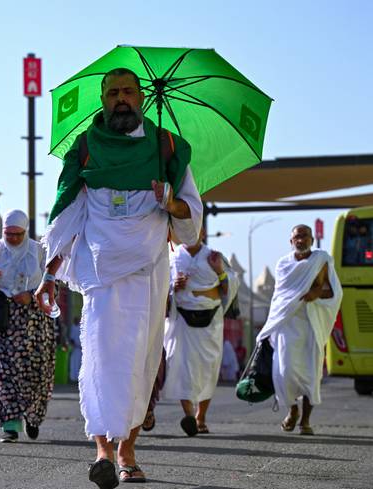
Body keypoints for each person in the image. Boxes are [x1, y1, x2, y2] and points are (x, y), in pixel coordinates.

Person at [36, 67, 202, 487]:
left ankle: (128, 451)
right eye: (114, 93)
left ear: (142, 97)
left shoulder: (168, 148)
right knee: (101, 360)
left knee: (140, 363)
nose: (122, 99)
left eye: (129, 91)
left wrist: (171, 202)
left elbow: (191, 219)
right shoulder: (86, 148)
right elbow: (69, 216)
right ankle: (102, 452)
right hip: (100, 273)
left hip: (149, 272)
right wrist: (49, 275)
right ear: (103, 99)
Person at [0, 209, 56, 443]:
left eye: (18, 234)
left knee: (37, 375)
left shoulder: (39, 252)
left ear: (26, 232)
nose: (13, 239)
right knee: (4, 374)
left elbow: (58, 283)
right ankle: (10, 424)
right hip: (3, 324)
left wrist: (32, 296)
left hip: (36, 326)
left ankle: (33, 418)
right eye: (9, 234)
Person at [256, 224, 342, 436]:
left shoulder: (321, 259)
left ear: (312, 239)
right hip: (287, 324)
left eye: (304, 236)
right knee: (283, 372)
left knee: (311, 374)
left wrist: (315, 294)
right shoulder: (283, 264)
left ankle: (305, 420)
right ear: (291, 241)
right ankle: (292, 410)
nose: (300, 240)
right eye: (296, 237)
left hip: (311, 324)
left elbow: (333, 291)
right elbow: (280, 297)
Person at [163, 233, 239, 435]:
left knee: (208, 367)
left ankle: (201, 416)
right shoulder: (171, 258)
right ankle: (189, 415)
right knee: (180, 365)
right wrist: (172, 286)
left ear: (202, 232)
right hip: (181, 318)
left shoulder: (215, 256)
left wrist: (220, 272)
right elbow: (159, 286)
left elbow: (230, 285)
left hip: (211, 319)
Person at [68, 316, 82, 382]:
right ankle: (73, 378)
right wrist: (74, 345)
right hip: (75, 349)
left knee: (80, 363)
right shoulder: (73, 327)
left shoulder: (81, 327)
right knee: (74, 363)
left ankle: (79, 378)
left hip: (81, 349)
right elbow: (71, 339)